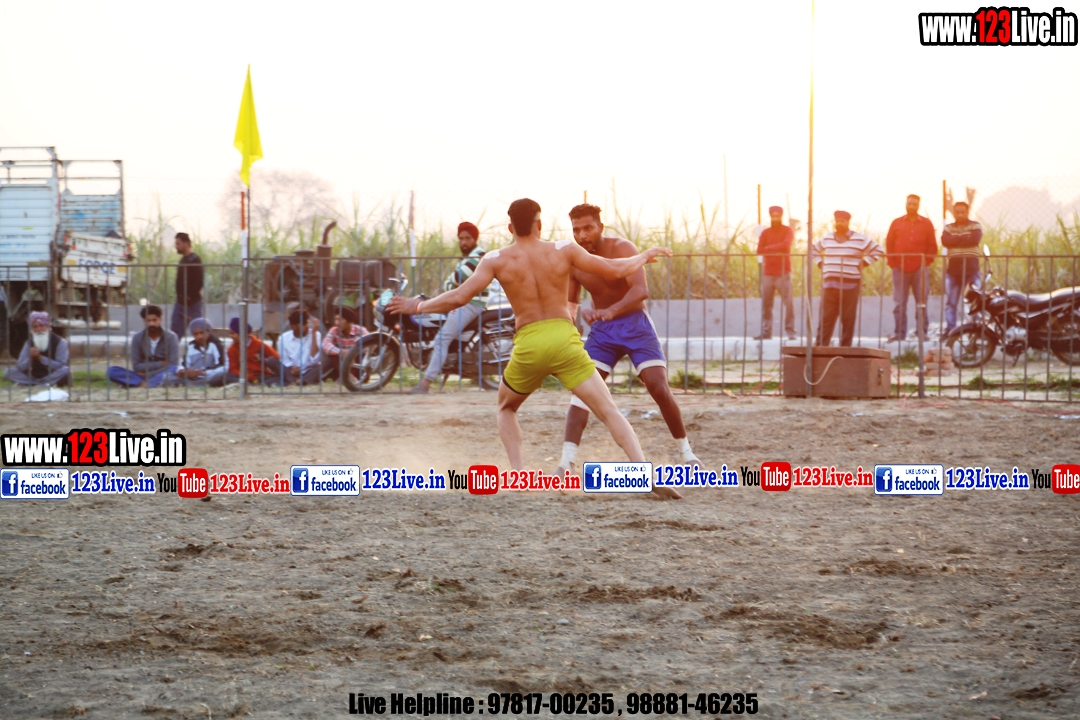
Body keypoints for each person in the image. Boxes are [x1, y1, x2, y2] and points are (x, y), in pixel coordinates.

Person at [387, 198, 680, 499]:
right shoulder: (564, 249)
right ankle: (643, 472)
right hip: (564, 341)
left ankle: (519, 474)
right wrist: (643, 256)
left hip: (529, 344)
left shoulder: (495, 259)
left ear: (510, 228)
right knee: (608, 410)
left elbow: (459, 297)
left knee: (506, 407)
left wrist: (417, 305)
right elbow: (613, 269)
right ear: (540, 224)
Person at [554, 203, 699, 476]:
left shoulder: (622, 248)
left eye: (588, 228)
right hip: (602, 332)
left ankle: (687, 453)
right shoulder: (574, 260)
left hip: (635, 324)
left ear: (601, 227)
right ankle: (566, 462)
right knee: (583, 392)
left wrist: (611, 310)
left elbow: (640, 290)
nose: (582, 235)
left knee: (658, 387)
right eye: (576, 230)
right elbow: (571, 305)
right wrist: (572, 322)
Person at [411, 221, 491, 393]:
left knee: (442, 338)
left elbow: (457, 278)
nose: (464, 242)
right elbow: (453, 282)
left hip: (471, 304)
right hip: (464, 302)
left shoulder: (477, 256)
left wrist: (450, 283)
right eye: (461, 238)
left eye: (467, 238)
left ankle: (425, 384)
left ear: (475, 239)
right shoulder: (468, 258)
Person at [812, 211, 885, 347]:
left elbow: (878, 250)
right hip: (830, 286)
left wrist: (864, 263)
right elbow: (812, 250)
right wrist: (820, 263)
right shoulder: (827, 238)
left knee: (848, 319)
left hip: (850, 286)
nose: (839, 223)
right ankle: (821, 348)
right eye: (837, 221)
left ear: (848, 222)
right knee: (826, 319)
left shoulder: (859, 239)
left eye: (842, 221)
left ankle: (845, 349)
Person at [885, 195, 938, 342]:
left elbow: (932, 245)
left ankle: (922, 333)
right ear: (906, 204)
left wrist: (925, 263)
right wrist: (893, 264)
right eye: (910, 203)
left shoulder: (926, 223)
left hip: (919, 269)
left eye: (915, 204)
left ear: (918, 205)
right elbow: (889, 243)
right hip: (899, 269)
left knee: (921, 302)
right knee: (899, 303)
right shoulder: (896, 223)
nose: (912, 206)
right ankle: (899, 334)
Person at [108, 305, 180, 387]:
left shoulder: (171, 337)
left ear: (160, 320)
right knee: (112, 370)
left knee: (173, 369)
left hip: (160, 374)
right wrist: (161, 363)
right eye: (148, 321)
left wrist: (148, 374)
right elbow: (136, 366)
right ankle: (148, 383)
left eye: (154, 320)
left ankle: (140, 383)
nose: (151, 323)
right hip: (141, 375)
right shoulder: (137, 338)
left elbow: (173, 364)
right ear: (144, 321)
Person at [754, 206, 797, 341]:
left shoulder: (787, 230)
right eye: (773, 216)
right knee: (766, 304)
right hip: (768, 273)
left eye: (778, 216)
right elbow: (759, 250)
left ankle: (791, 332)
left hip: (783, 272)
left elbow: (786, 245)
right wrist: (775, 249)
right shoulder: (765, 233)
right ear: (770, 217)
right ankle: (766, 332)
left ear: (781, 217)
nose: (775, 219)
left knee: (788, 304)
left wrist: (769, 248)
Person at [941, 201, 983, 336]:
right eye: (957, 212)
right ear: (954, 213)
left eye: (962, 212)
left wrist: (955, 240)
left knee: (975, 301)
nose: (960, 215)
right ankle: (951, 330)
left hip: (972, 270)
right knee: (951, 302)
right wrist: (965, 238)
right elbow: (945, 241)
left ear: (967, 212)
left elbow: (974, 240)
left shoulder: (975, 225)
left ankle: (975, 330)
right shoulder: (948, 228)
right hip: (953, 270)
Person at [4, 311, 71, 387]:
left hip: (51, 375)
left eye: (41, 325)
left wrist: (41, 358)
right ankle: (40, 384)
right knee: (8, 372)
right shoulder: (29, 343)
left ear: (48, 326)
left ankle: (33, 384)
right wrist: (30, 359)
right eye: (35, 327)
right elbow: (19, 367)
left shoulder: (60, 342)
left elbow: (61, 366)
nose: (39, 329)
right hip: (33, 377)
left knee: (66, 370)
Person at [217, 318, 282, 386]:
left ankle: (258, 385)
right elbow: (233, 369)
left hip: (263, 376)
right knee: (227, 377)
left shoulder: (259, 344)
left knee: (277, 378)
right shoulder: (232, 349)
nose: (231, 336)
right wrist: (248, 376)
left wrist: (264, 361)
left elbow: (276, 359)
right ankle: (251, 385)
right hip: (245, 377)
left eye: (233, 333)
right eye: (230, 333)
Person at [321, 306, 368, 381]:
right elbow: (325, 344)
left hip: (358, 364)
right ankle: (348, 377)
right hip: (342, 364)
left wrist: (351, 355)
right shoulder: (334, 330)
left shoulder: (360, 330)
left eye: (340, 320)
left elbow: (370, 346)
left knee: (362, 356)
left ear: (349, 321)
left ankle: (348, 377)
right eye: (336, 319)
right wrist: (341, 352)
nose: (336, 323)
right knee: (333, 355)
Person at [172, 232, 204, 338]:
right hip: (181, 302)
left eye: (178, 243)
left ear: (186, 243)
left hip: (192, 304)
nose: (176, 246)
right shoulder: (183, 260)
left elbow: (199, 280)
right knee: (174, 334)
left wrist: (190, 296)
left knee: (198, 332)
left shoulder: (195, 260)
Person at [277, 310, 323, 385]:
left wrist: (313, 334)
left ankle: (301, 381)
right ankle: (295, 380)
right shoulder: (283, 338)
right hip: (291, 372)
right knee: (271, 361)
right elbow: (284, 360)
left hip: (309, 371)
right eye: (304, 324)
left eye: (307, 323)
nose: (307, 326)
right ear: (294, 326)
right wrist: (291, 367)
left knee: (325, 364)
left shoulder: (315, 334)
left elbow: (314, 360)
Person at [177, 318, 226, 386]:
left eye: (202, 333)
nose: (199, 336)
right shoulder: (191, 346)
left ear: (208, 332)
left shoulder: (216, 345)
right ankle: (194, 384)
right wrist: (182, 371)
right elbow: (184, 364)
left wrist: (202, 372)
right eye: (196, 334)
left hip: (209, 376)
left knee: (221, 375)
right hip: (193, 377)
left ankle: (195, 384)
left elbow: (223, 367)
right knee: (168, 377)